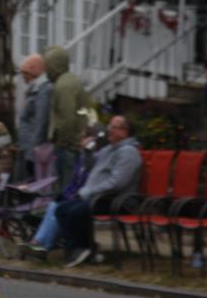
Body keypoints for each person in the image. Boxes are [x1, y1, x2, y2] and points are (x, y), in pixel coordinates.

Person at [55, 115, 142, 268]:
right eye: (110, 126)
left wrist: (89, 191)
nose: (109, 130)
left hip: (117, 200)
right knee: (62, 209)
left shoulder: (129, 152)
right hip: (99, 196)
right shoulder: (109, 149)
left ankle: (82, 248)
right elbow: (92, 169)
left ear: (125, 132)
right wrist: (87, 150)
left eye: (114, 127)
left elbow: (117, 183)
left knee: (76, 211)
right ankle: (81, 248)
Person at [43, 45, 92, 194]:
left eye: (47, 66)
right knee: (68, 187)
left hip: (68, 147)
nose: (46, 70)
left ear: (54, 65)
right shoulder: (69, 81)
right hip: (72, 145)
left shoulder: (63, 86)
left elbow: (67, 119)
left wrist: (62, 143)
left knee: (65, 189)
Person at [16, 54, 52, 182]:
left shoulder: (43, 90)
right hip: (27, 146)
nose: (23, 77)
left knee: (32, 181)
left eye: (24, 73)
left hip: (33, 150)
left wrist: (33, 152)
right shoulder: (35, 87)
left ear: (33, 70)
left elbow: (41, 122)